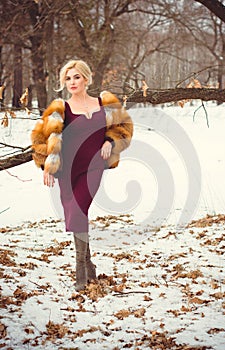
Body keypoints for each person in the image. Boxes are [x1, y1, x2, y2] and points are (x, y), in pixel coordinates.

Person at [31, 59, 133, 291]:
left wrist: (110, 140)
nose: (72, 82)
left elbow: (124, 128)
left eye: (76, 77)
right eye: (68, 78)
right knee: (78, 214)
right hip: (68, 170)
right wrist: (46, 163)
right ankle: (89, 265)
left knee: (79, 209)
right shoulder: (60, 109)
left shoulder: (105, 103)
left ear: (86, 78)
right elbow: (39, 139)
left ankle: (79, 271)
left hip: (94, 165)